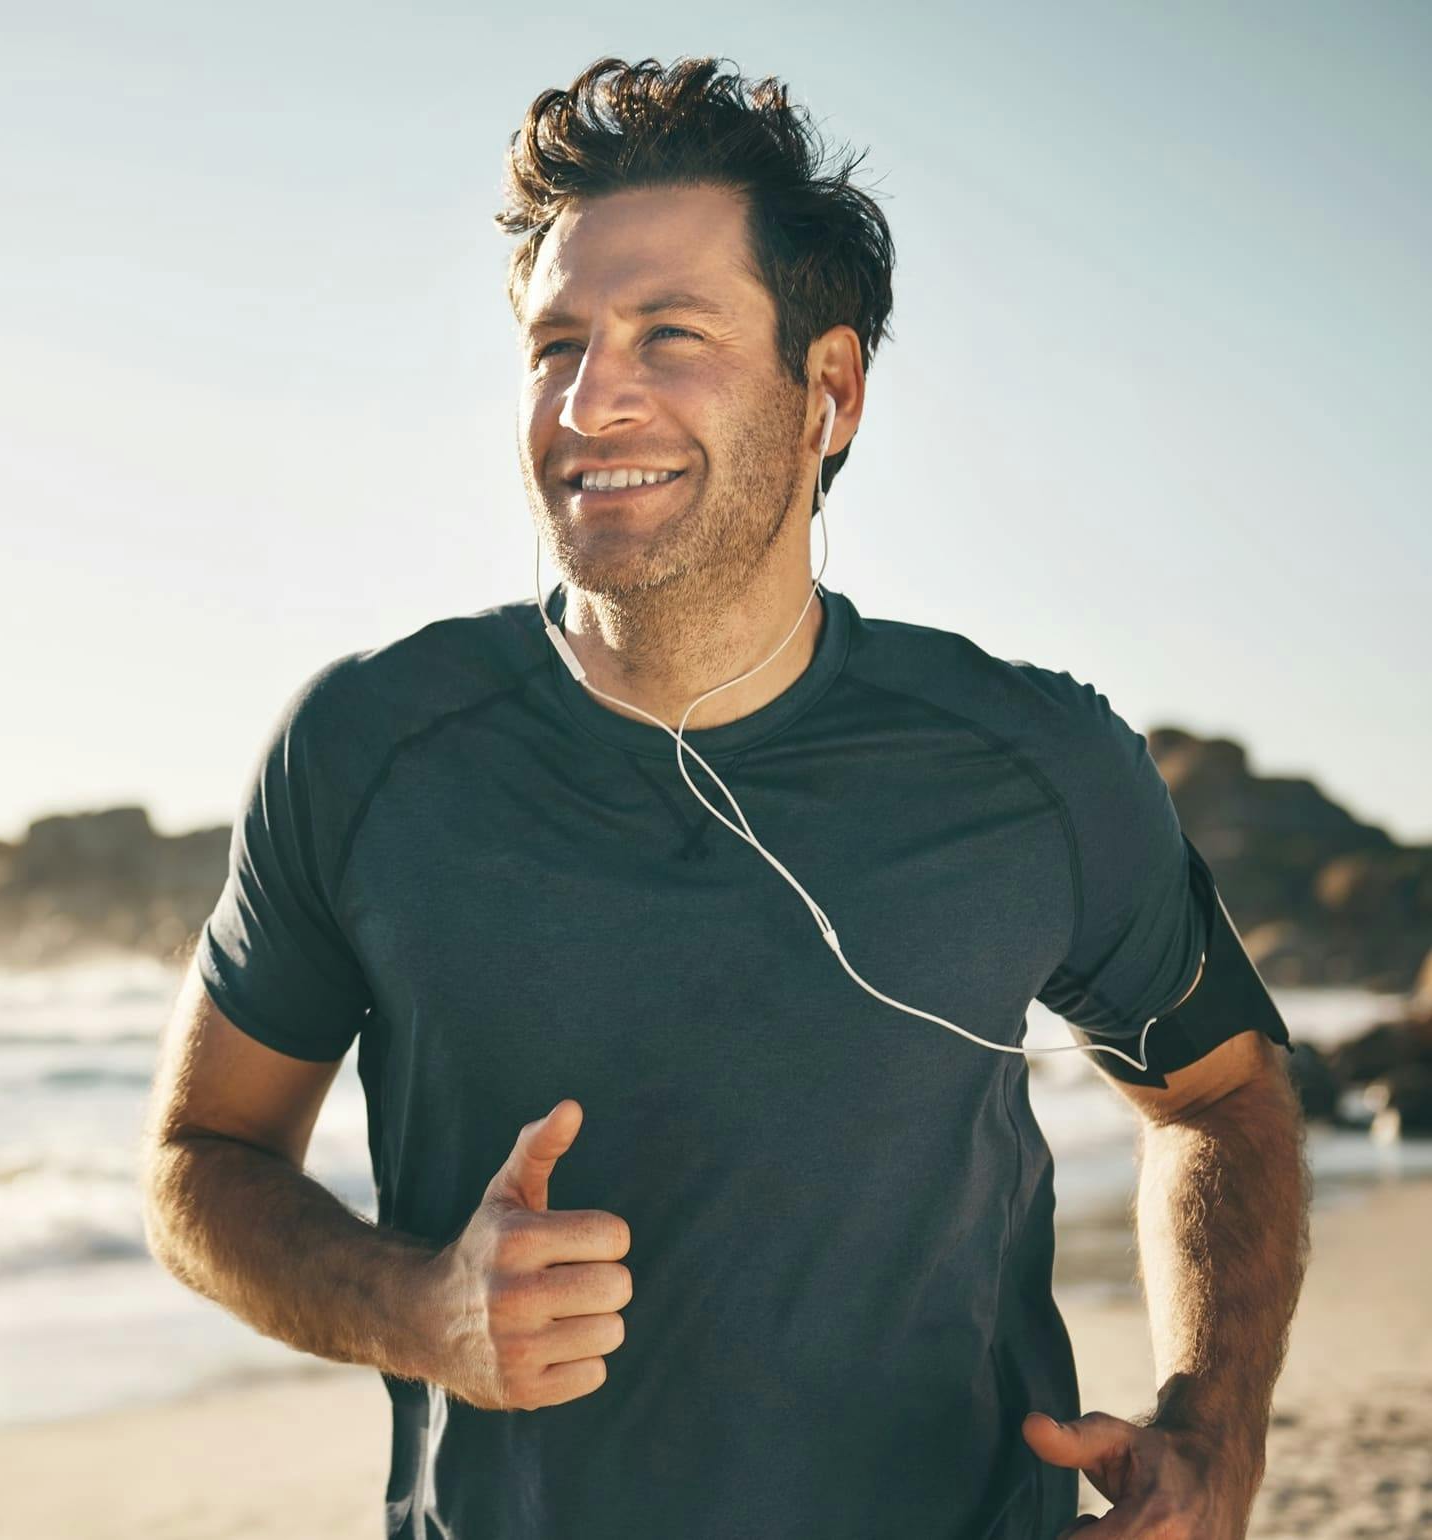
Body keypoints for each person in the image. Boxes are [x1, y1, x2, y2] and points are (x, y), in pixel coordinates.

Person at [141, 55, 1311, 1540]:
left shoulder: (1035, 764)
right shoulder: (370, 747)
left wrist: (1216, 1426)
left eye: (667, 335)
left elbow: (1216, 1093)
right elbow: (202, 1159)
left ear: (827, 390)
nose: (590, 397)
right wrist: (419, 1311)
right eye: (554, 341)